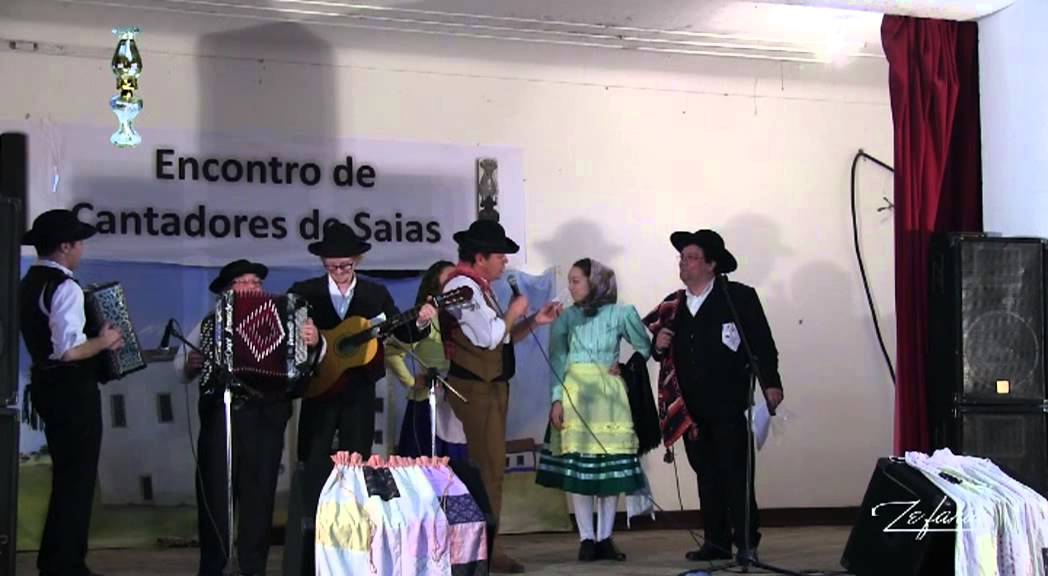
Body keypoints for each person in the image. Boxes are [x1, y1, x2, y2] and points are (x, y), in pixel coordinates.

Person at [288, 220, 436, 552]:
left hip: (358, 391)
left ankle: (352, 541)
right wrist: (308, 340)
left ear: (358, 261)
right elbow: (286, 340)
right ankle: (311, 542)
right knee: (314, 462)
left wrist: (423, 320)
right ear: (323, 262)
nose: (340, 270)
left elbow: (402, 333)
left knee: (356, 462)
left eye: (346, 264)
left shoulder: (374, 294)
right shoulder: (304, 292)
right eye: (333, 265)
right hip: (319, 390)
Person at [645, 229, 784, 564]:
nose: (684, 263)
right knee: (705, 473)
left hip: (728, 403)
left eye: (691, 257)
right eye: (682, 258)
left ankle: (746, 542)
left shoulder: (738, 297)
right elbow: (660, 353)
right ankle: (716, 541)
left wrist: (771, 384)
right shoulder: (673, 305)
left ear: (711, 265)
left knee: (736, 474)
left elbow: (762, 344)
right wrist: (657, 346)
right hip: (690, 408)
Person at [175, 259, 321, 576]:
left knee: (260, 494)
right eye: (243, 282)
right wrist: (192, 363)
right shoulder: (211, 321)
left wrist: (314, 342)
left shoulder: (285, 315)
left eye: (256, 282)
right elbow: (181, 368)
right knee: (215, 493)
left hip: (266, 415)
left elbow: (304, 364)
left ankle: (253, 567)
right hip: (221, 415)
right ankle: (213, 566)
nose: (252, 288)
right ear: (228, 290)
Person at [440, 219, 561, 573]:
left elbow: (503, 337)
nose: (505, 262)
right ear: (480, 258)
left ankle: (487, 546)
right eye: (500, 256)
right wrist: (513, 312)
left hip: (491, 388)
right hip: (473, 390)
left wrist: (534, 321)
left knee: (492, 468)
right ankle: (482, 551)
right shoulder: (463, 287)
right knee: (485, 469)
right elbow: (488, 336)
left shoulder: (480, 287)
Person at [19, 209, 124, 576]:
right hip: (71, 390)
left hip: (47, 388)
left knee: (67, 477)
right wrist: (105, 340)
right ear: (66, 246)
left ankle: (56, 560)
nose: (81, 250)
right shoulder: (65, 287)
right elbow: (69, 350)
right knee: (76, 480)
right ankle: (66, 564)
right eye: (78, 243)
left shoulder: (30, 282)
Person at [534, 258, 652, 562]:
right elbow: (558, 360)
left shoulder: (621, 313)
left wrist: (624, 367)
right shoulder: (566, 318)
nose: (570, 287)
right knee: (580, 468)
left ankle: (605, 537)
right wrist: (556, 399)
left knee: (608, 468)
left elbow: (645, 346)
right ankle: (586, 537)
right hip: (576, 393)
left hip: (608, 397)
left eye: (576, 280)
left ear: (595, 282)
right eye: (570, 280)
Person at [384, 260, 469, 460]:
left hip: (457, 403)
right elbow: (392, 352)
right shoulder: (423, 320)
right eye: (448, 280)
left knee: (458, 474)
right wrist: (412, 381)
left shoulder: (462, 318)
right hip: (428, 404)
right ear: (435, 288)